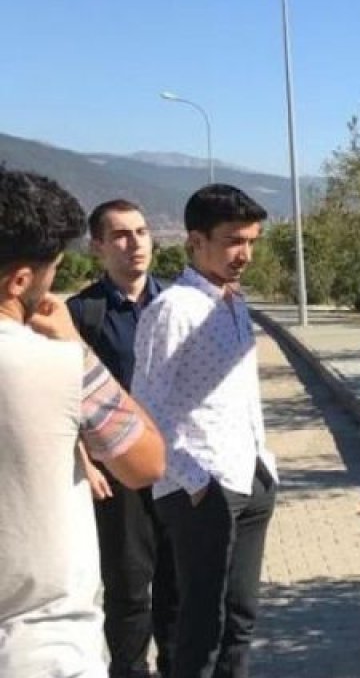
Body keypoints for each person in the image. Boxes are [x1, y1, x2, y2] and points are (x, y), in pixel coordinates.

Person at [0, 168, 166, 677]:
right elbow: (146, 460)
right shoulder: (56, 360)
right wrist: (76, 349)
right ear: (22, 280)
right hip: (38, 643)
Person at [132, 184, 278, 678]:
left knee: (240, 619)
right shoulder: (173, 309)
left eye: (252, 241)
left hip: (248, 477)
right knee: (203, 626)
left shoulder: (233, 302)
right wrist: (194, 482)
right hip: (201, 486)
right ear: (196, 242)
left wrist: (265, 467)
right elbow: (146, 407)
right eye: (235, 240)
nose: (246, 254)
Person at [68, 199, 177, 678]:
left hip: (180, 469)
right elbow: (64, 399)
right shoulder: (80, 314)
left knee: (179, 586)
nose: (135, 243)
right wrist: (84, 463)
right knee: (130, 589)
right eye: (120, 235)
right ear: (98, 247)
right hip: (119, 475)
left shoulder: (177, 304)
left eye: (141, 231)